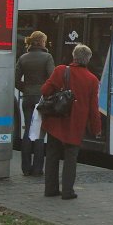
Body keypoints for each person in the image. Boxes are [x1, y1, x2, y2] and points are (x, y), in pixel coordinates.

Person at [41, 44, 102, 200]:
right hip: (75, 124)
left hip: (56, 120)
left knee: (52, 155)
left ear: (74, 56)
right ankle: (68, 191)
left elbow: (45, 90)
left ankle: (50, 189)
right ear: (88, 60)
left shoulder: (61, 70)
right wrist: (96, 128)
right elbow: (93, 108)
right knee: (71, 158)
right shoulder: (92, 80)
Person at [15, 31, 55, 176]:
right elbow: (52, 79)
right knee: (38, 132)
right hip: (41, 99)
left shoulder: (23, 58)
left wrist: (25, 88)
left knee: (27, 132)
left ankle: (25, 168)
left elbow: (15, 78)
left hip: (27, 98)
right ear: (42, 42)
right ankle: (38, 168)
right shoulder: (47, 57)